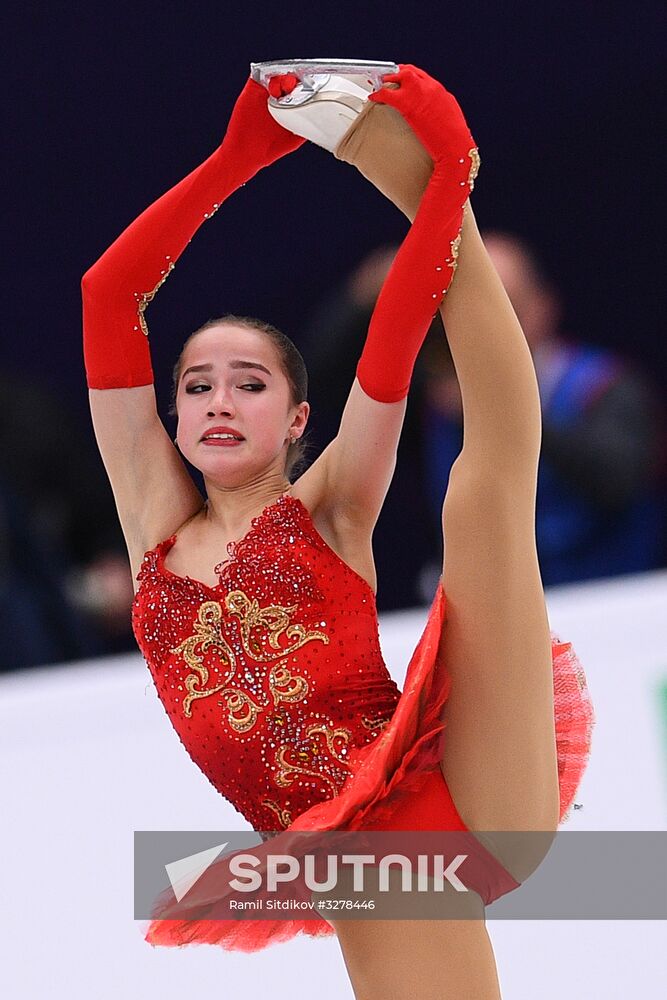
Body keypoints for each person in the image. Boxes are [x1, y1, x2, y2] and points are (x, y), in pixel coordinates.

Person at [81, 65, 594, 998]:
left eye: (250, 383)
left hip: (454, 788)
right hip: (352, 848)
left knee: (480, 495)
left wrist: (439, 186)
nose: (219, 402)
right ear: (174, 416)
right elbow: (109, 297)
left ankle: (437, 177)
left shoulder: (329, 504)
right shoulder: (150, 523)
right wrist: (235, 160)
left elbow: (399, 321)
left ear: (296, 421)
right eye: (197, 385)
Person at [421, 232, 665, 586]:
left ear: (541, 307)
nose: (487, 328)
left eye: (507, 308)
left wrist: (503, 407)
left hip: (608, 597)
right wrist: (370, 294)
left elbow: (617, 480)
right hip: (502, 607)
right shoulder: (442, 403)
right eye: (466, 313)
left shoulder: (606, 386)